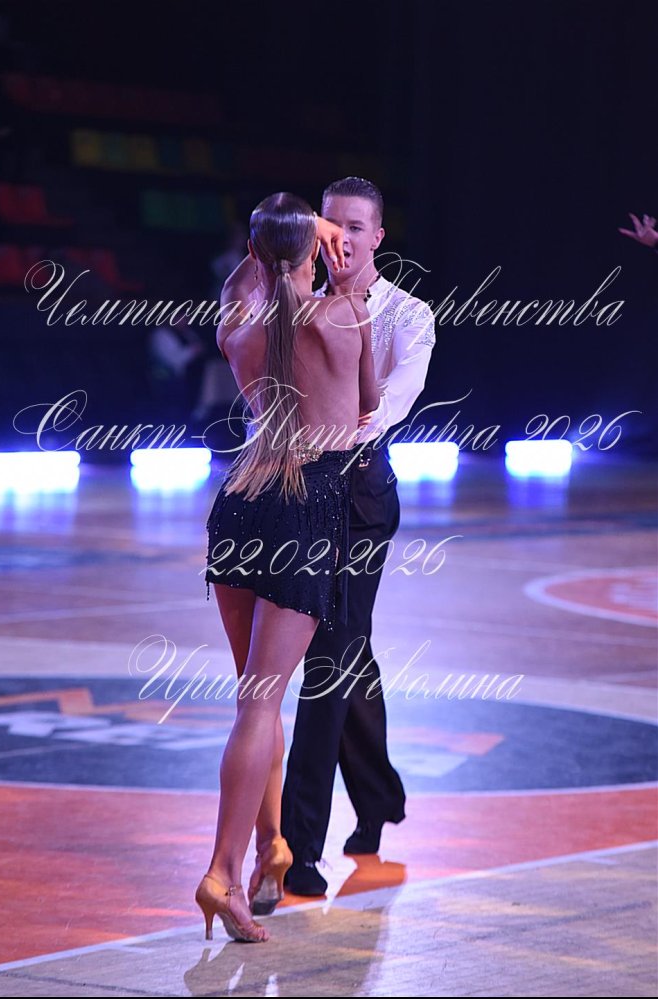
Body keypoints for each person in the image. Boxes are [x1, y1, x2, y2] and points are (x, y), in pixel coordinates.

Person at [195, 192, 379, 943]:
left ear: (254, 252)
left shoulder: (237, 325)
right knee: (261, 705)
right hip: (304, 511)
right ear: (317, 250)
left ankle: (270, 847)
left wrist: (277, 242)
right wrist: (343, 280)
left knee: (254, 702)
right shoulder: (343, 316)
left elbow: (245, 278)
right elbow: (366, 405)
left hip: (240, 504)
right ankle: (220, 873)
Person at [279, 177, 437, 895]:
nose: (340, 237)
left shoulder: (409, 314)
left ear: (378, 237)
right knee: (344, 651)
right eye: (329, 224)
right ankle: (376, 799)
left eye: (354, 226)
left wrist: (331, 423)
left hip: (360, 497)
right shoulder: (296, 304)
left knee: (328, 659)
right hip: (296, 494)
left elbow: (389, 403)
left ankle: (299, 849)